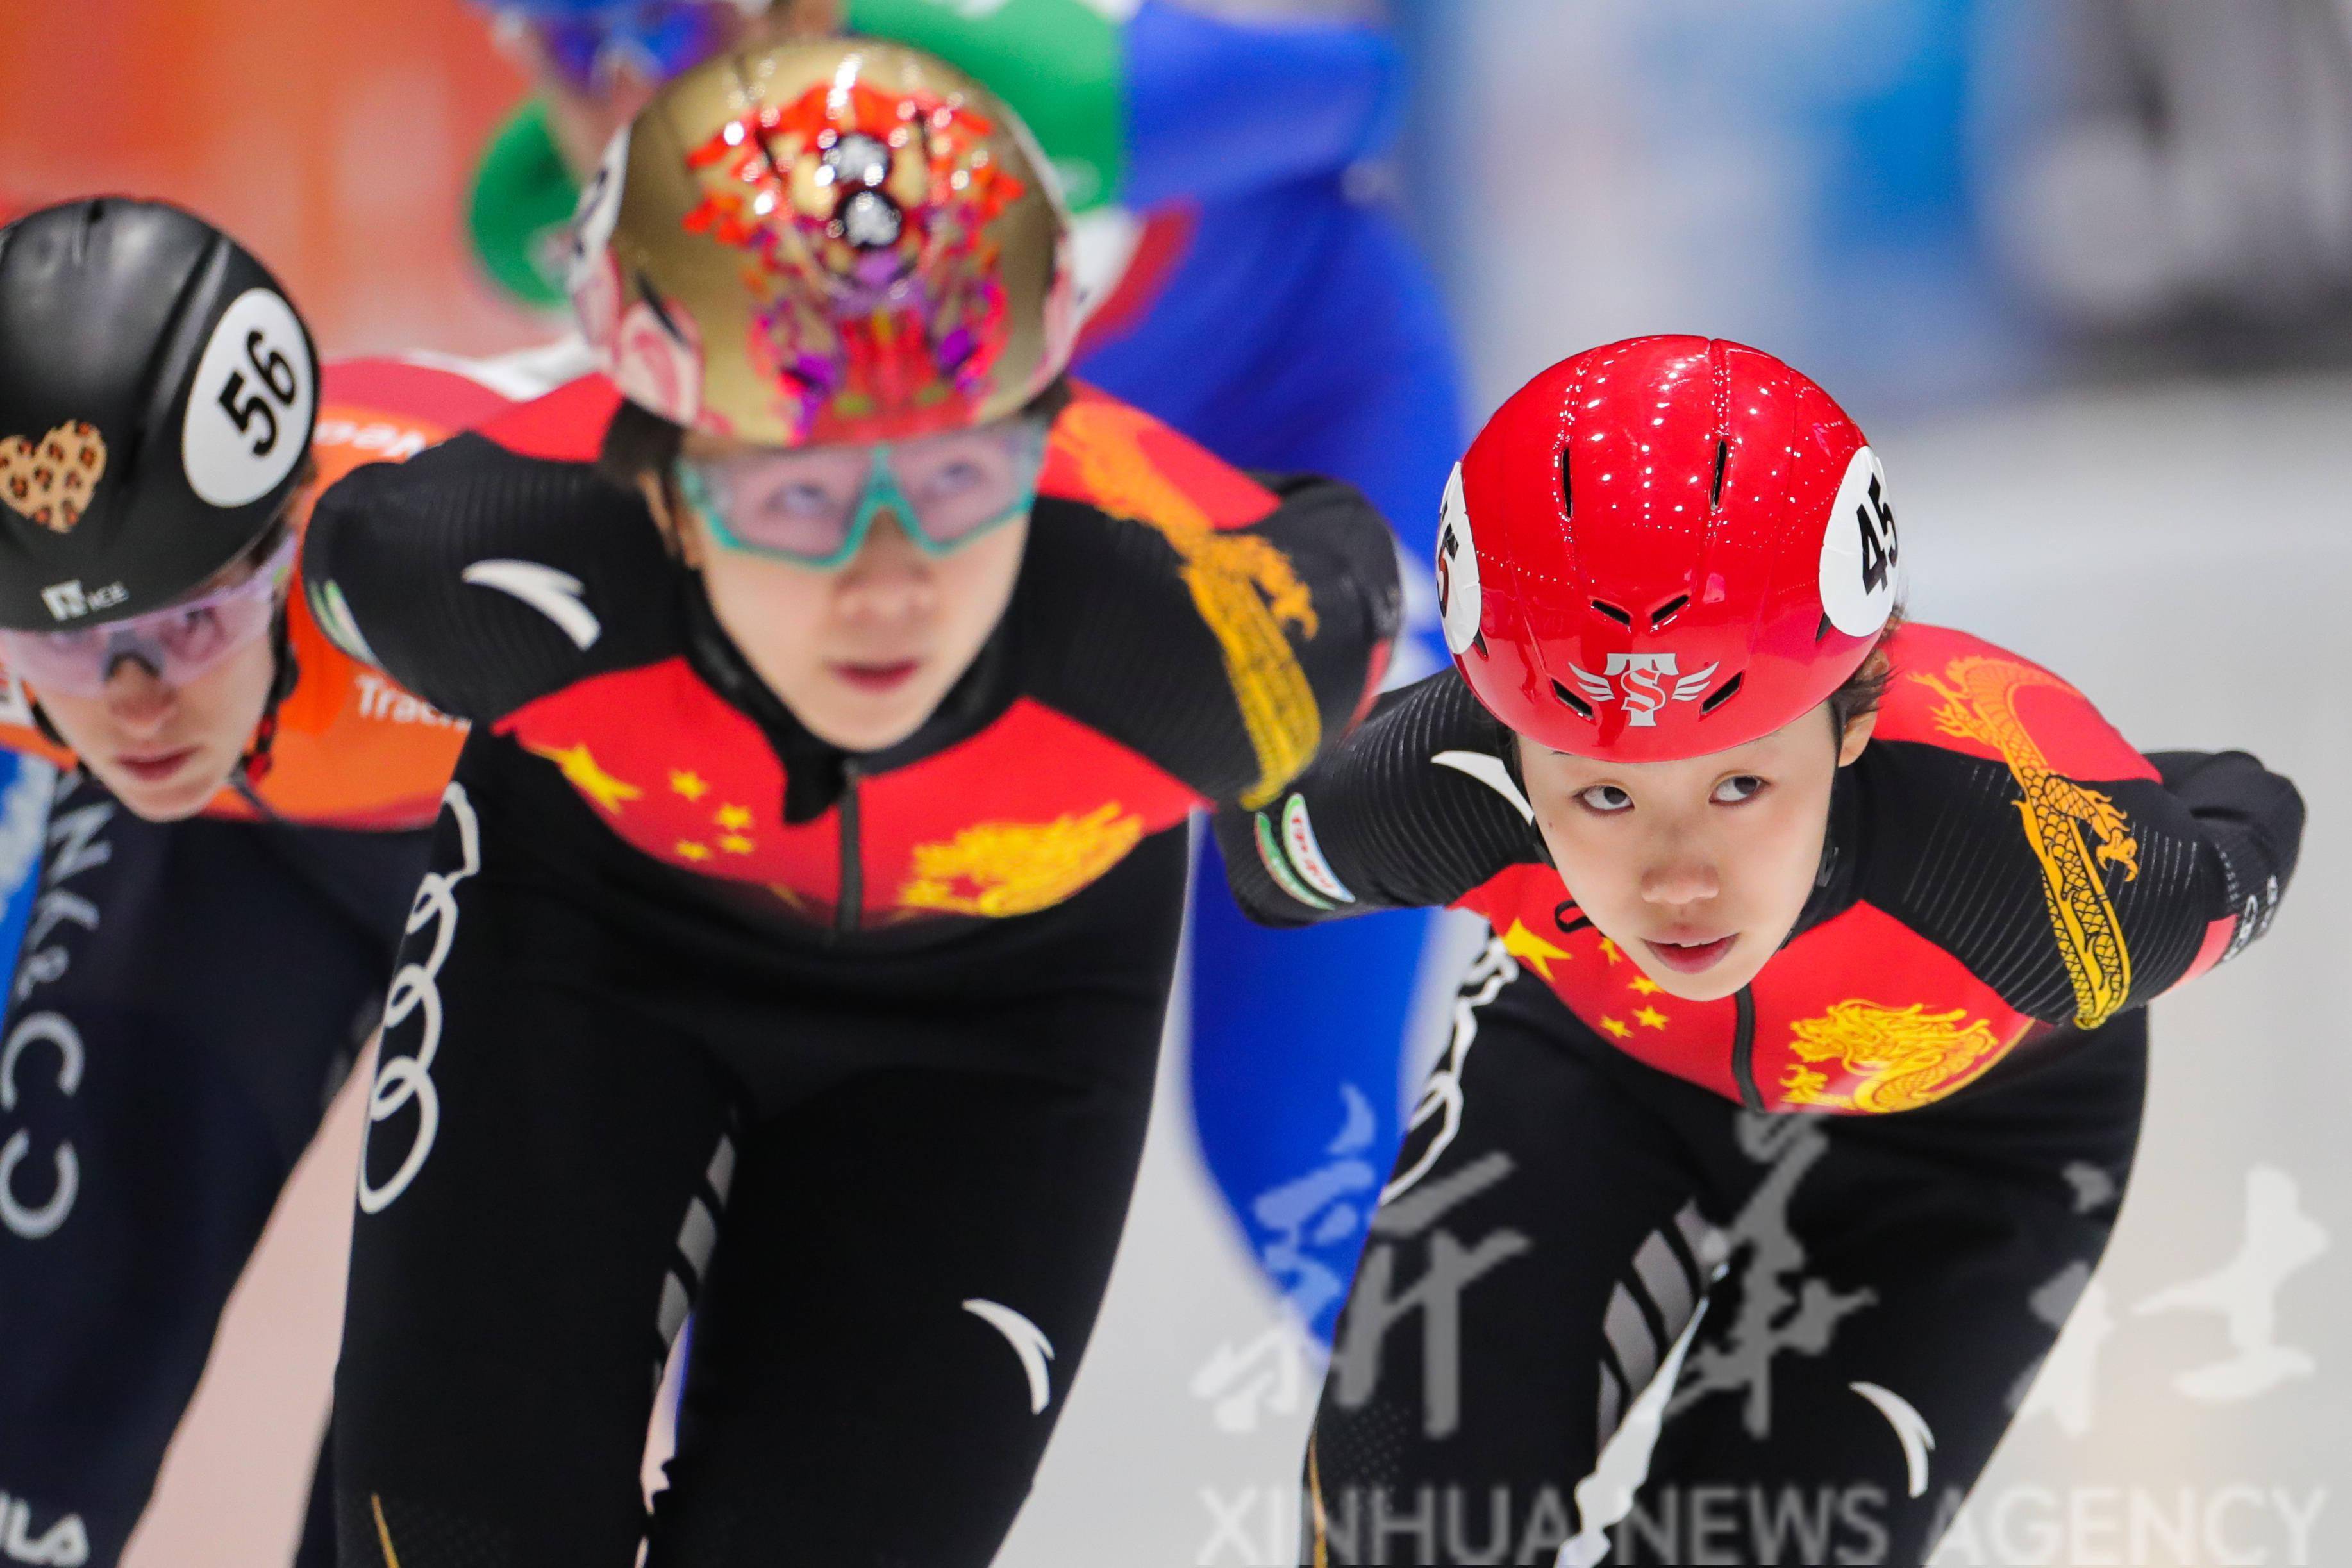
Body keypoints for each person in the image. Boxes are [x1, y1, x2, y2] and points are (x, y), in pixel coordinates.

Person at [303, 39, 1401, 1564]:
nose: (885, 582)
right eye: (797, 494)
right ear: (666, 481)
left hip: (998, 1019)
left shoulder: (1205, 653)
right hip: (584, 937)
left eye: (955, 480)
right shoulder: (453, 566)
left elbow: (1350, 545)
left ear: (1046, 430)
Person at [1216, 335, 2306, 1565]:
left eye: (1739, 782)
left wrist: (2127, 848)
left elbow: (2236, 803)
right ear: (1513, 747)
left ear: (1853, 718)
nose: (1679, 879)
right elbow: (1258, 831)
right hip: (1599, 1067)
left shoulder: (2054, 882)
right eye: (1605, 797)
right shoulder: (1431, 787)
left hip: (1961, 1146)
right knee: (1398, 1539)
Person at [463, 0, 1467, 1328]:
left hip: (1307, 430)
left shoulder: (1029, 78)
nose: (636, 93)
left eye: (673, 26)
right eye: (577, 50)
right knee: (777, 1127)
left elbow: (1362, 91)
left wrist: (1065, 125)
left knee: (1287, 1129)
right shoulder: (549, 201)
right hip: (1018, 510)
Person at [0, 199, 503, 1567]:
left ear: (288, 534)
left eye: (191, 617)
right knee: (36, 1400)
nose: (134, 700)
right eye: (64, 646)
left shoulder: (444, 552)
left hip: (542, 852)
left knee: (441, 1483)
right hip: (238, 852)